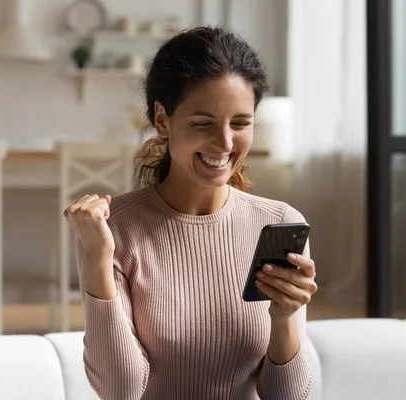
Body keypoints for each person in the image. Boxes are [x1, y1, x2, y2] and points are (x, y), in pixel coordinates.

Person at [63, 26, 318, 400]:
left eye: (241, 123)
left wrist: (283, 319)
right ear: (163, 120)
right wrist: (99, 260)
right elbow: (121, 390)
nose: (226, 143)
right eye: (203, 124)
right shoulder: (113, 229)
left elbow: (288, 397)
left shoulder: (279, 224)